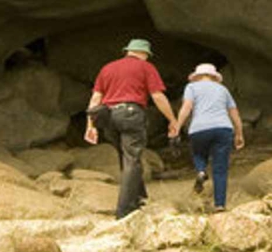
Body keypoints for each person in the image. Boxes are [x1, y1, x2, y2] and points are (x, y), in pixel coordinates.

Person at [84, 38, 179, 219]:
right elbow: (157, 96)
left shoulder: (107, 68)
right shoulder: (145, 67)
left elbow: (95, 99)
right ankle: (125, 211)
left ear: (128, 51)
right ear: (144, 54)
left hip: (108, 117)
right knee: (132, 160)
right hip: (130, 114)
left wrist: (90, 125)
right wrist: (172, 119)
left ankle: (139, 198)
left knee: (125, 157)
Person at [173, 62, 244, 211]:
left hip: (199, 128)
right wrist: (239, 133)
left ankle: (200, 170)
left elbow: (186, 108)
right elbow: (234, 112)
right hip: (223, 128)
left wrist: (177, 127)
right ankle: (219, 205)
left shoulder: (191, 87)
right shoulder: (223, 89)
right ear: (214, 76)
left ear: (197, 76)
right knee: (220, 169)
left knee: (198, 153)